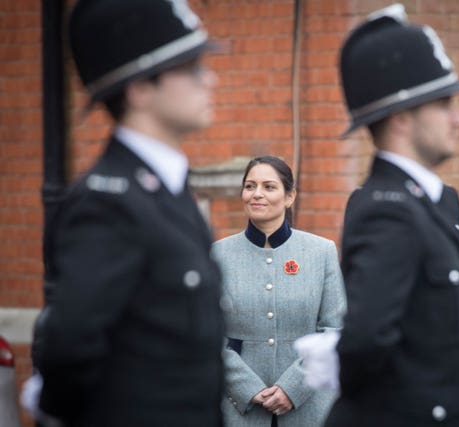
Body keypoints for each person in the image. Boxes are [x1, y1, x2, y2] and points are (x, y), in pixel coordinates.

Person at [31, 1, 225, 426]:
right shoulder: (108, 202)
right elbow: (70, 345)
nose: (209, 79)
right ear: (139, 89)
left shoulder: (165, 188)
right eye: (190, 68)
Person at [325, 4, 459, 426]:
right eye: (444, 103)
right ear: (400, 117)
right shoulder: (388, 209)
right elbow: (364, 342)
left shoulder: (421, 201)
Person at [212, 156, 346, 427]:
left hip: (310, 408)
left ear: (289, 196)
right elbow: (208, 333)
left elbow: (334, 330)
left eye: (269, 186)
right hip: (239, 411)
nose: (257, 194)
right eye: (250, 186)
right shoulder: (217, 255)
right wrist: (247, 388)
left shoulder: (321, 252)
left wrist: (292, 388)